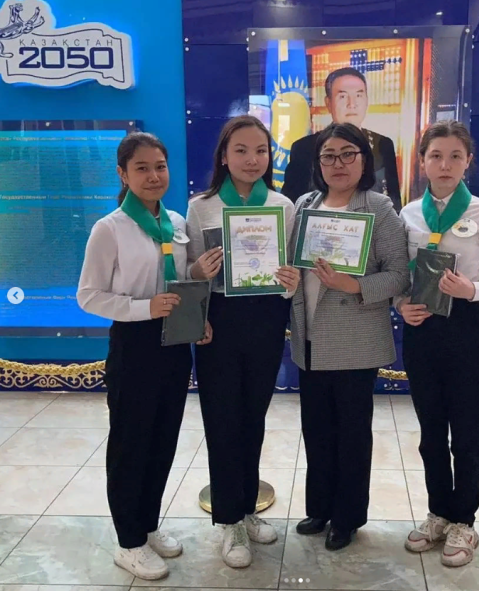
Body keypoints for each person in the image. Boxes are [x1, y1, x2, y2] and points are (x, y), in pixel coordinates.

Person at [77, 132, 212, 581]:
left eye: (160, 166)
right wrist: (143, 308)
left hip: (175, 343)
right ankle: (128, 542)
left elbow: (179, 279)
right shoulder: (110, 228)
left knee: (162, 440)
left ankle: (148, 525)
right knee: (131, 444)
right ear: (123, 174)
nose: (154, 176)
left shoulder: (175, 222)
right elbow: (88, 296)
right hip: (134, 344)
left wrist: (197, 308)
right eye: (142, 168)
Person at [289, 122, 410, 551]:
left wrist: (353, 285)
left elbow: (399, 275)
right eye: (328, 156)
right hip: (309, 338)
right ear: (317, 163)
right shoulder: (305, 204)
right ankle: (320, 508)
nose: (337, 163)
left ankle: (347, 517)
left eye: (347, 154)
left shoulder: (378, 208)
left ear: (364, 160)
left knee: (352, 435)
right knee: (316, 430)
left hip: (355, 339)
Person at [186, 115, 300, 569]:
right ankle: (228, 520)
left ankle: (247, 507)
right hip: (219, 322)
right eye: (241, 150)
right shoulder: (202, 207)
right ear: (223, 156)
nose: (252, 160)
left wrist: (291, 281)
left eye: (260, 151)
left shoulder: (283, 206)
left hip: (267, 319)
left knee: (253, 417)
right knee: (221, 419)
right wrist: (198, 273)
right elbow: (189, 270)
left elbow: (291, 268)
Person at [398, 120, 479, 567]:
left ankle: (464, 520)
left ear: (468, 162)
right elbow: (397, 273)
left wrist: (472, 290)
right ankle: (438, 513)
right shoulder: (408, 214)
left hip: (465, 325)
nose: (445, 165)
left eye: (455, 156)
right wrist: (401, 304)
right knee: (430, 431)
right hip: (421, 326)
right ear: (422, 161)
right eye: (436, 156)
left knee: (465, 430)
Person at [282, 67, 401, 212]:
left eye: (359, 95)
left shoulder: (382, 144)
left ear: (367, 101)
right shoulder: (304, 148)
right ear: (328, 103)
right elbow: (292, 205)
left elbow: (394, 200)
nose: (352, 104)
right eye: (343, 97)